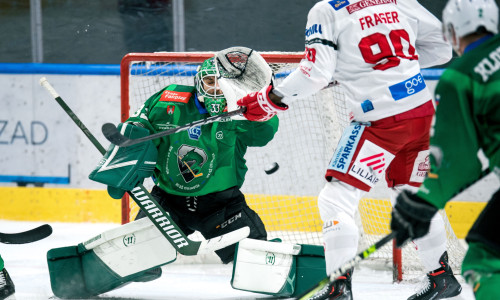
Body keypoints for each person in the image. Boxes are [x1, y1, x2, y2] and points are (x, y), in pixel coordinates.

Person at [236, 1, 460, 299]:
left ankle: (338, 288)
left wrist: (268, 99)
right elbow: (444, 47)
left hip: (380, 122)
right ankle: (443, 278)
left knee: (336, 200)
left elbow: (315, 74)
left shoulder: (327, 10)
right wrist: (375, 69)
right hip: (421, 113)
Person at [91, 50, 278, 266]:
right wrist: (127, 155)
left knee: (255, 262)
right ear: (198, 82)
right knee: (134, 259)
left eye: (222, 83)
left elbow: (265, 135)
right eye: (210, 81)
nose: (216, 89)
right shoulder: (169, 101)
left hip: (222, 208)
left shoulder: (241, 112)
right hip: (168, 204)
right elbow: (139, 129)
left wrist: (260, 112)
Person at [390, 0, 500, 299]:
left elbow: (458, 161)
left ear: (452, 31)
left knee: (484, 260)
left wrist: (422, 202)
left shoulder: (461, 76)